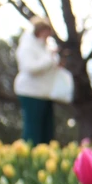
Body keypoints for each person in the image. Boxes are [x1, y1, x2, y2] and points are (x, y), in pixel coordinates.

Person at [14, 17, 60, 145]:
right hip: (31, 92)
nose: (48, 35)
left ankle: (44, 159)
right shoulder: (27, 45)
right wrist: (49, 58)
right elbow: (30, 67)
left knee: (47, 132)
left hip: (46, 93)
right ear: (39, 31)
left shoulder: (47, 46)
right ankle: (29, 159)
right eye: (45, 31)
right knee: (33, 131)